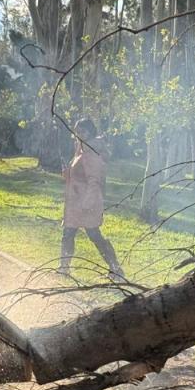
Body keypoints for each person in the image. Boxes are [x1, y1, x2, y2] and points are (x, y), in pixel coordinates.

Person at [59, 119, 126, 282]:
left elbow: (94, 180)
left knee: (94, 235)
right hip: (76, 202)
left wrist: (87, 203)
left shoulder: (91, 150)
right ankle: (64, 268)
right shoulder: (81, 149)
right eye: (77, 131)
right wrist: (67, 173)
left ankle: (116, 270)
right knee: (68, 234)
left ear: (90, 132)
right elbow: (78, 175)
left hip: (87, 202)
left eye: (82, 131)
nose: (78, 134)